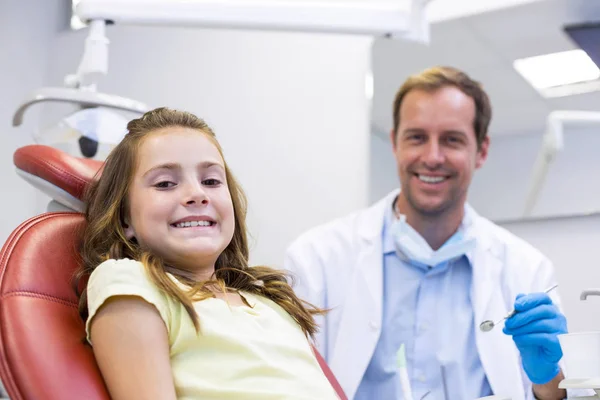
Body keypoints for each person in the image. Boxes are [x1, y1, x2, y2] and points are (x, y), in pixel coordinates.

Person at [283, 66, 582, 400]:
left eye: (452, 140)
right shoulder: (316, 258)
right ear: (395, 142)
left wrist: (549, 378)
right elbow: (287, 385)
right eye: (417, 137)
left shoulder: (527, 269)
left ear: (481, 151)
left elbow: (556, 395)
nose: (432, 157)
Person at [77, 107, 341, 400]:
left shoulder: (269, 302)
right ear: (125, 219)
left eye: (212, 181)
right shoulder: (130, 281)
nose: (197, 194)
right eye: (165, 183)